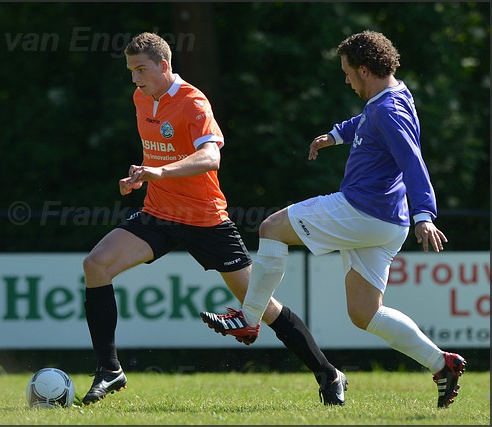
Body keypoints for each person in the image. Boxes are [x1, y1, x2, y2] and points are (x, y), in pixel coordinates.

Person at [200, 30, 467, 409]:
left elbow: (413, 162)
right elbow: (366, 122)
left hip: (363, 210)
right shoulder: (392, 97)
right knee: (364, 313)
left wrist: (426, 214)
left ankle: (249, 316)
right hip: (386, 224)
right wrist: (337, 135)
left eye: (347, 73)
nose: (345, 80)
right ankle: (442, 364)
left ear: (363, 69)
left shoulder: (389, 109)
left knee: (271, 228)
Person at [81, 31, 347, 406]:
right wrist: (143, 175)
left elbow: (211, 158)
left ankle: (328, 373)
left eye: (141, 69)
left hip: (205, 220)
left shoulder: (193, 102)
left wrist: (159, 172)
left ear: (164, 65)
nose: (135, 78)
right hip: (157, 213)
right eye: (130, 70)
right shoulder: (141, 98)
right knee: (95, 265)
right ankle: (110, 370)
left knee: (261, 305)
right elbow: (158, 154)